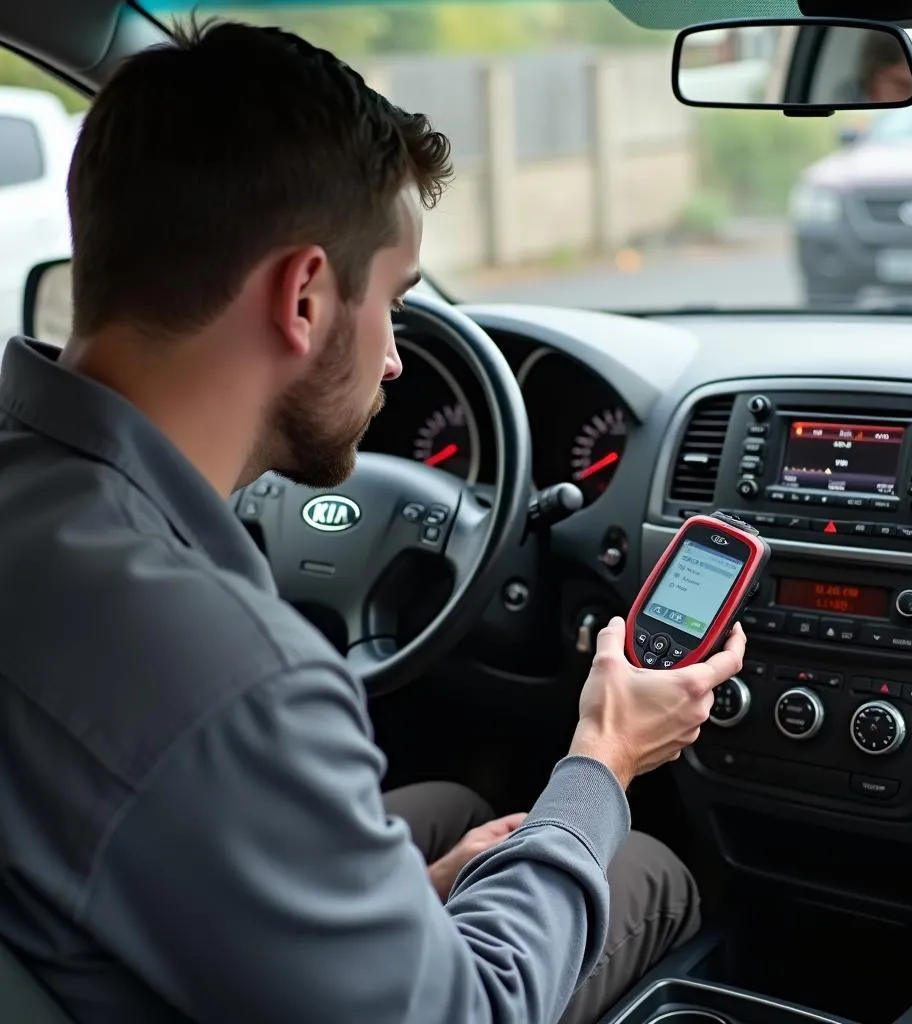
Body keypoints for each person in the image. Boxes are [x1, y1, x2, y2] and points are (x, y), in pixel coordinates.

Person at [0, 18, 746, 1024]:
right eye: (393, 301)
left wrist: (410, 902)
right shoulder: (242, 683)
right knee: (642, 860)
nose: (397, 358)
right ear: (304, 295)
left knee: (457, 815)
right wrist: (602, 758)